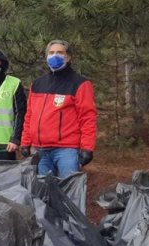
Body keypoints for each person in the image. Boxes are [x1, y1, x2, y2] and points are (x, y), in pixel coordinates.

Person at [20, 40, 97, 177]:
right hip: (40, 151)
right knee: (43, 194)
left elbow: (87, 118)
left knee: (69, 192)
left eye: (60, 52)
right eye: (51, 52)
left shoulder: (80, 84)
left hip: (66, 151)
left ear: (68, 57)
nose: (55, 55)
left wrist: (87, 148)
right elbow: (30, 115)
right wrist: (25, 142)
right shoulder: (37, 83)